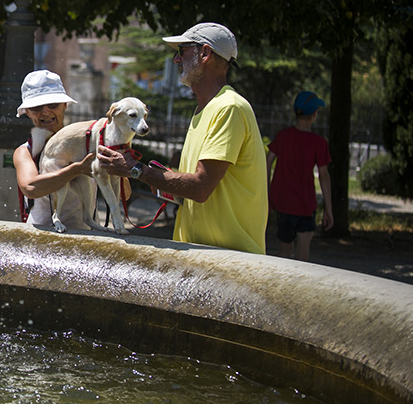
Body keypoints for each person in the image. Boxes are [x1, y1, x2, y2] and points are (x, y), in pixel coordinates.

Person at [96, 22, 268, 253]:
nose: (176, 60)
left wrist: (136, 170)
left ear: (205, 53)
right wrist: (158, 178)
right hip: (204, 254)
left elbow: (199, 188)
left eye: (182, 51)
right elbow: (192, 187)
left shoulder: (229, 108)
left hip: (230, 259)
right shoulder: (204, 110)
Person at [13, 70, 95, 230]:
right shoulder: (25, 152)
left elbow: (124, 195)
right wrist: (78, 169)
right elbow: (30, 188)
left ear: (64, 105)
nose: (45, 111)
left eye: (53, 104)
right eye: (36, 107)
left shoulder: (89, 143)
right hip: (41, 242)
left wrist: (119, 170)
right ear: (28, 112)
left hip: (87, 240)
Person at [266, 91, 333, 261]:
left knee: (284, 252)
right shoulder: (319, 143)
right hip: (304, 204)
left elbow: (268, 162)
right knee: (302, 256)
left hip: (282, 204)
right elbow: (323, 176)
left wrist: (267, 193)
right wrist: (329, 209)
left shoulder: (283, 136)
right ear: (315, 114)